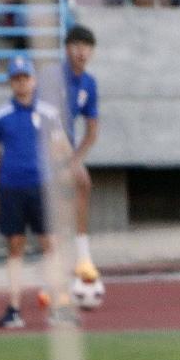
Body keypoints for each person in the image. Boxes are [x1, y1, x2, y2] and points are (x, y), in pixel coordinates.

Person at [0, 54, 72, 329]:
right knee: (15, 246)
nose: (21, 84)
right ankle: (14, 307)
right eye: (16, 79)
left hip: (42, 186)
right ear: (11, 82)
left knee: (50, 244)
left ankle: (59, 305)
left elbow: (62, 150)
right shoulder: (0, 117)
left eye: (25, 78)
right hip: (11, 186)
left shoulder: (48, 114)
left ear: (33, 81)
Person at [61, 24, 101, 279]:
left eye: (86, 47)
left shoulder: (88, 84)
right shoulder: (55, 77)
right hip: (42, 147)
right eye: (76, 46)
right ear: (67, 49)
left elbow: (92, 130)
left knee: (82, 183)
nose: (81, 52)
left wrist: (75, 159)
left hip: (67, 151)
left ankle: (82, 255)